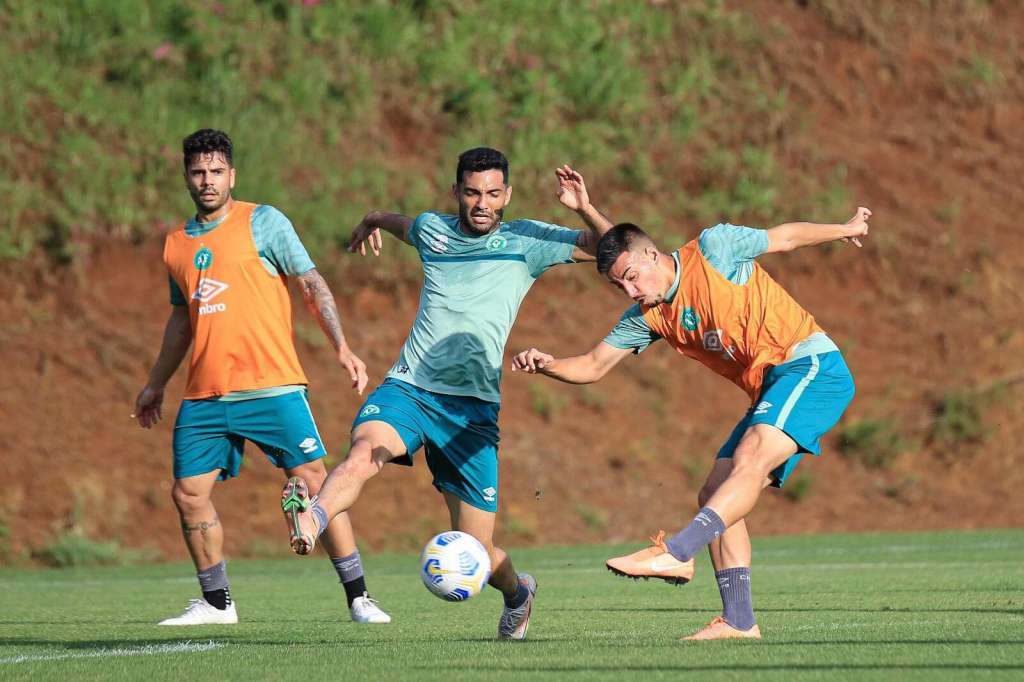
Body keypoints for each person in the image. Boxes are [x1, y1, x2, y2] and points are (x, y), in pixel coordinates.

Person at [278, 147, 610, 639]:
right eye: (472, 192)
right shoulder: (434, 230)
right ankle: (312, 520)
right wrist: (372, 218)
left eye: (493, 194)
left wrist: (585, 208)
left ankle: (518, 593)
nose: (482, 203)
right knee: (366, 451)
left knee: (478, 552)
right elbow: (402, 223)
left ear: (507, 195)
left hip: (472, 411)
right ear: (457, 191)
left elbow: (613, 251)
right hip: (410, 387)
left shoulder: (530, 240)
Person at [511, 209, 870, 640]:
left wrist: (844, 229)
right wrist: (547, 365)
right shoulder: (650, 316)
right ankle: (739, 621)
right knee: (715, 492)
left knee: (749, 457)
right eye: (618, 285)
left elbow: (786, 236)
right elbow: (592, 366)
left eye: (631, 276)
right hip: (772, 387)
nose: (629, 290)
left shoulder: (713, 250)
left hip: (810, 364)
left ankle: (679, 551)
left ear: (651, 254)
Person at [133, 128, 390, 626]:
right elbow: (182, 320)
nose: (207, 181)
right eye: (198, 172)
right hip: (205, 393)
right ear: (186, 176)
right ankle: (216, 603)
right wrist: (156, 382)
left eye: (216, 172)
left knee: (314, 482)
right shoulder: (175, 246)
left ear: (232, 174)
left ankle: (359, 597)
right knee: (188, 492)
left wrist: (342, 347)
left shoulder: (263, 221)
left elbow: (312, 284)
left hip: (270, 385)